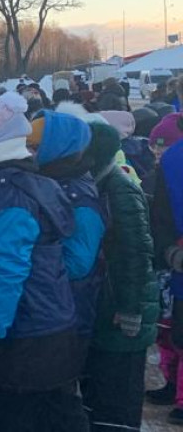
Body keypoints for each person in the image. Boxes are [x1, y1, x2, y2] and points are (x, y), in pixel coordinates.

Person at [0, 93, 87, 432]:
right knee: (51, 415)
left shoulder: (5, 194)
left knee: (19, 418)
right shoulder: (2, 185)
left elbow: (7, 273)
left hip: (24, 334)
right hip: (40, 326)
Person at [76, 120, 157, 431]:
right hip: (105, 306)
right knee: (98, 391)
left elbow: (135, 254)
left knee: (118, 397)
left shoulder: (120, 189)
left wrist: (130, 309)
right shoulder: (98, 184)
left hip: (122, 310)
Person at [27, 111, 108, 367]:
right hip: (48, 306)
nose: (27, 153)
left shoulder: (79, 197)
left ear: (57, 149)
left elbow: (78, 263)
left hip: (67, 311)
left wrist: (26, 261)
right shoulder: (48, 181)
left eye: (34, 147)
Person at [148, 113, 183, 422]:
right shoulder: (168, 164)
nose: (157, 151)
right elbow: (160, 217)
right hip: (172, 263)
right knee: (171, 331)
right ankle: (174, 386)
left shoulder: (171, 163)